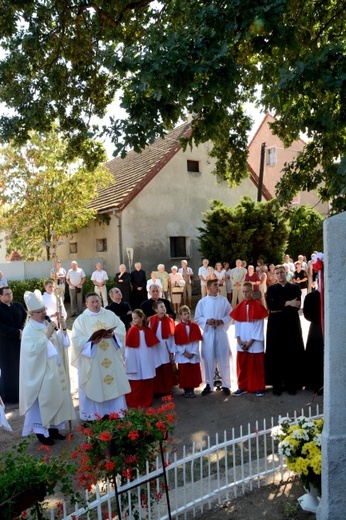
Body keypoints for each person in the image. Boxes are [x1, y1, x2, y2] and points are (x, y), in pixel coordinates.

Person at [20, 290, 75, 445]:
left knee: (55, 399)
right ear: (30, 313)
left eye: (44, 310)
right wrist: (46, 335)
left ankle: (54, 429)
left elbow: (60, 344)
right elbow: (32, 351)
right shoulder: (29, 330)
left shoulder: (46, 323)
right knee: (43, 403)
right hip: (40, 373)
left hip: (53, 370)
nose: (44, 313)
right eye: (40, 311)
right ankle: (41, 433)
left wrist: (63, 330)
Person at [71, 292, 131, 421]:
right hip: (93, 359)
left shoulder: (109, 314)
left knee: (113, 384)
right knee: (95, 385)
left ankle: (116, 412)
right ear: (86, 304)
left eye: (97, 301)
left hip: (111, 356)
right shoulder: (81, 320)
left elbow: (121, 330)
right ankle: (95, 415)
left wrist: (114, 335)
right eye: (92, 302)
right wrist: (91, 341)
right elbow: (76, 340)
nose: (95, 304)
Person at [265, 265, 305, 396]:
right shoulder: (271, 289)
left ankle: (291, 384)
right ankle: (277, 384)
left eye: (282, 272)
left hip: (291, 326)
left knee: (291, 353)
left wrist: (280, 306)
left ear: (286, 273)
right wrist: (288, 303)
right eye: (277, 273)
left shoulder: (295, 287)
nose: (280, 275)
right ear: (275, 275)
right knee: (276, 354)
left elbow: (297, 306)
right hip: (275, 327)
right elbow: (271, 306)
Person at [194, 279, 233, 396]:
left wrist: (222, 321)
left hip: (221, 332)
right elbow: (197, 318)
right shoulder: (202, 302)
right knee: (208, 358)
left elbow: (230, 314)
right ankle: (209, 384)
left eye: (218, 284)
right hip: (208, 333)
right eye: (215, 285)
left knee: (223, 357)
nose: (218, 286)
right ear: (209, 288)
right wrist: (207, 321)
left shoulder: (224, 300)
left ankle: (226, 384)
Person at [230, 282, 268, 397]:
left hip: (254, 342)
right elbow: (237, 326)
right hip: (242, 341)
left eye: (247, 291)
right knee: (243, 365)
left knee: (257, 366)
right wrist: (240, 341)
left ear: (252, 292)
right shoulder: (239, 307)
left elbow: (258, 326)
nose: (245, 294)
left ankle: (258, 387)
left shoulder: (258, 306)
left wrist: (250, 343)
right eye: (243, 292)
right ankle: (242, 386)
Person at [125, 309, 158, 407]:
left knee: (147, 380)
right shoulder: (131, 330)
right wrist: (130, 363)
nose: (134, 320)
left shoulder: (147, 330)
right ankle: (135, 402)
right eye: (133, 318)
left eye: (136, 318)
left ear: (142, 318)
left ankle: (147, 400)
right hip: (135, 360)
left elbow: (152, 347)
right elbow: (128, 349)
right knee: (137, 381)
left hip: (146, 359)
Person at [0, 287, 27, 403]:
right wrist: (16, 333)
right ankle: (9, 396)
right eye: (6, 294)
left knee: (20, 367)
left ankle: (21, 393)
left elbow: (26, 319)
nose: (9, 296)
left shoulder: (18, 305)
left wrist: (24, 331)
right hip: (6, 344)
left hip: (21, 341)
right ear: (0, 296)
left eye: (10, 294)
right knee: (9, 369)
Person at [173, 305, 202, 398]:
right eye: (185, 314)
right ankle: (186, 390)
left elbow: (196, 340)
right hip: (183, 354)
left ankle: (192, 389)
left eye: (188, 313)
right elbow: (177, 342)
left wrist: (193, 352)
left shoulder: (194, 326)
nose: (187, 315)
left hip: (192, 353)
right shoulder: (177, 328)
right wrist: (184, 352)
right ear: (180, 315)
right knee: (184, 372)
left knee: (192, 372)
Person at [149, 301, 175, 396]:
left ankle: (167, 389)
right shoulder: (151, 320)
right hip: (155, 348)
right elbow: (149, 334)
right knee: (157, 369)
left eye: (164, 306)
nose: (164, 308)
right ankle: (158, 390)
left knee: (166, 369)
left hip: (165, 347)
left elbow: (172, 337)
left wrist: (172, 350)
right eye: (161, 307)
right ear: (156, 310)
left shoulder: (169, 320)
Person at [303, 290, 324, 394]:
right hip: (316, 328)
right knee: (315, 355)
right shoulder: (311, 296)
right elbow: (307, 314)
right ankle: (314, 383)